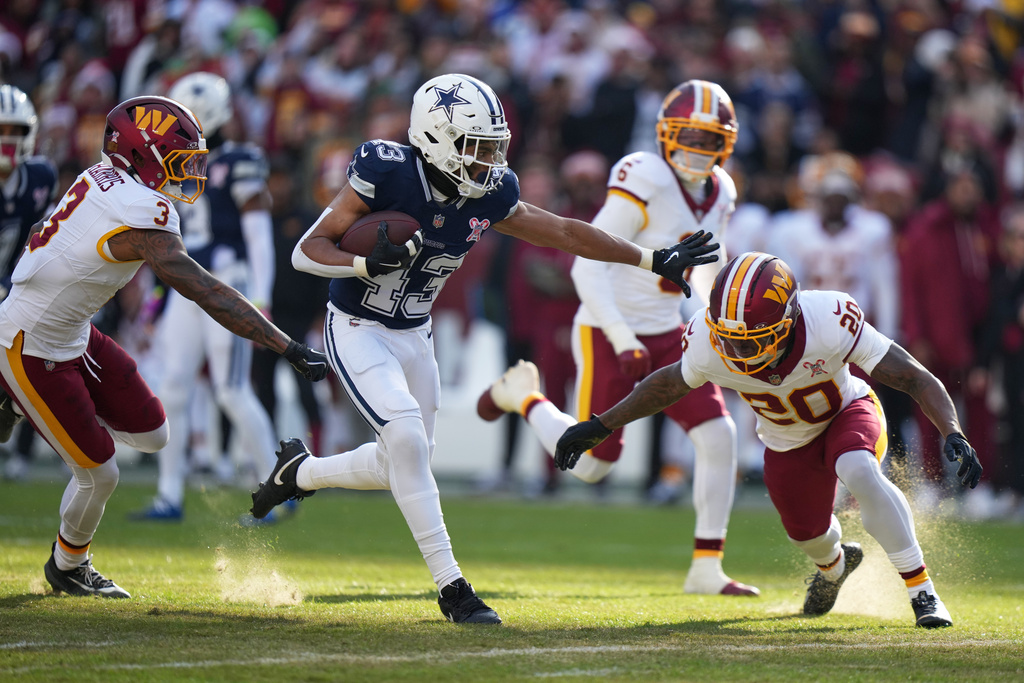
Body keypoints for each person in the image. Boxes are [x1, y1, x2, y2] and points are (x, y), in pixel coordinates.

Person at [247, 73, 718, 625]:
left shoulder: (491, 192)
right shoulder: (386, 171)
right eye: (476, 148)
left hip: (415, 334)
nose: (489, 161)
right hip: (357, 324)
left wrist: (650, 258)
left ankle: (299, 472)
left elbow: (565, 232)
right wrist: (362, 263)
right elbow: (308, 251)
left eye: (495, 147)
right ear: (435, 138)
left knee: (399, 459)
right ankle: (453, 589)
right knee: (403, 436)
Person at [498, 252, 983, 628]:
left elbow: (915, 377)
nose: (737, 349)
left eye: (752, 339)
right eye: (729, 338)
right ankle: (834, 567)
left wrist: (952, 431)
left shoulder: (830, 317)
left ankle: (922, 591)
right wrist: (601, 424)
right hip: (784, 440)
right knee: (808, 536)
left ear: (790, 319)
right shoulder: (711, 341)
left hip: (845, 412)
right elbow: (664, 384)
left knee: (857, 468)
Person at [0, 94, 329, 599]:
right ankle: (69, 564)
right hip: (27, 342)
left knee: (154, 434)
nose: (187, 173)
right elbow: (207, 291)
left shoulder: (103, 177)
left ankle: (17, 405)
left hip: (73, 331)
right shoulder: (141, 209)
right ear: (140, 155)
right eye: (177, 161)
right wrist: (284, 345)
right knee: (99, 473)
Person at [556, 79, 757, 595]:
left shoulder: (723, 191)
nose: (698, 149)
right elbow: (586, 268)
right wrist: (622, 336)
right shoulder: (644, 174)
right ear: (666, 135)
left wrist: (721, 319)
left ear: (727, 144)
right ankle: (526, 398)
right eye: (689, 136)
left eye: (710, 139)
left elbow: (707, 272)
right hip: (608, 328)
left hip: (670, 331)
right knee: (594, 466)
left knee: (718, 434)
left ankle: (706, 569)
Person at [128, 72, 288, 523]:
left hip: (228, 279)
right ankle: (168, 494)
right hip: (187, 285)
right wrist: (155, 301)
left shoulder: (239, 160)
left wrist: (261, 298)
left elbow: (259, 237)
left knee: (232, 390)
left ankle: (278, 487)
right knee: (174, 387)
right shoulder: (172, 165)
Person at [0, 84, 59, 481]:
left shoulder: (39, 177)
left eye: (16, 130)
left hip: (16, 289)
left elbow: (48, 239)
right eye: (1, 129)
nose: (8, 139)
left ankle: (20, 451)